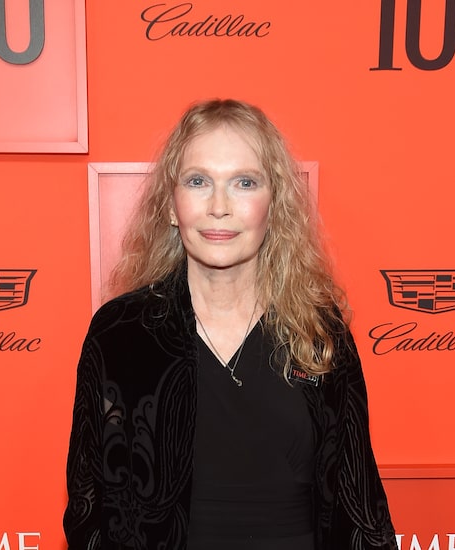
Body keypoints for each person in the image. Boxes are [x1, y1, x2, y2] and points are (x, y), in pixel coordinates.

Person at [63, 99, 397, 550]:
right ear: (171, 205)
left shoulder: (318, 331)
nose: (219, 206)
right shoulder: (121, 334)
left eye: (244, 182)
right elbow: (88, 507)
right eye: (198, 181)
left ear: (273, 205)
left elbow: (361, 507)